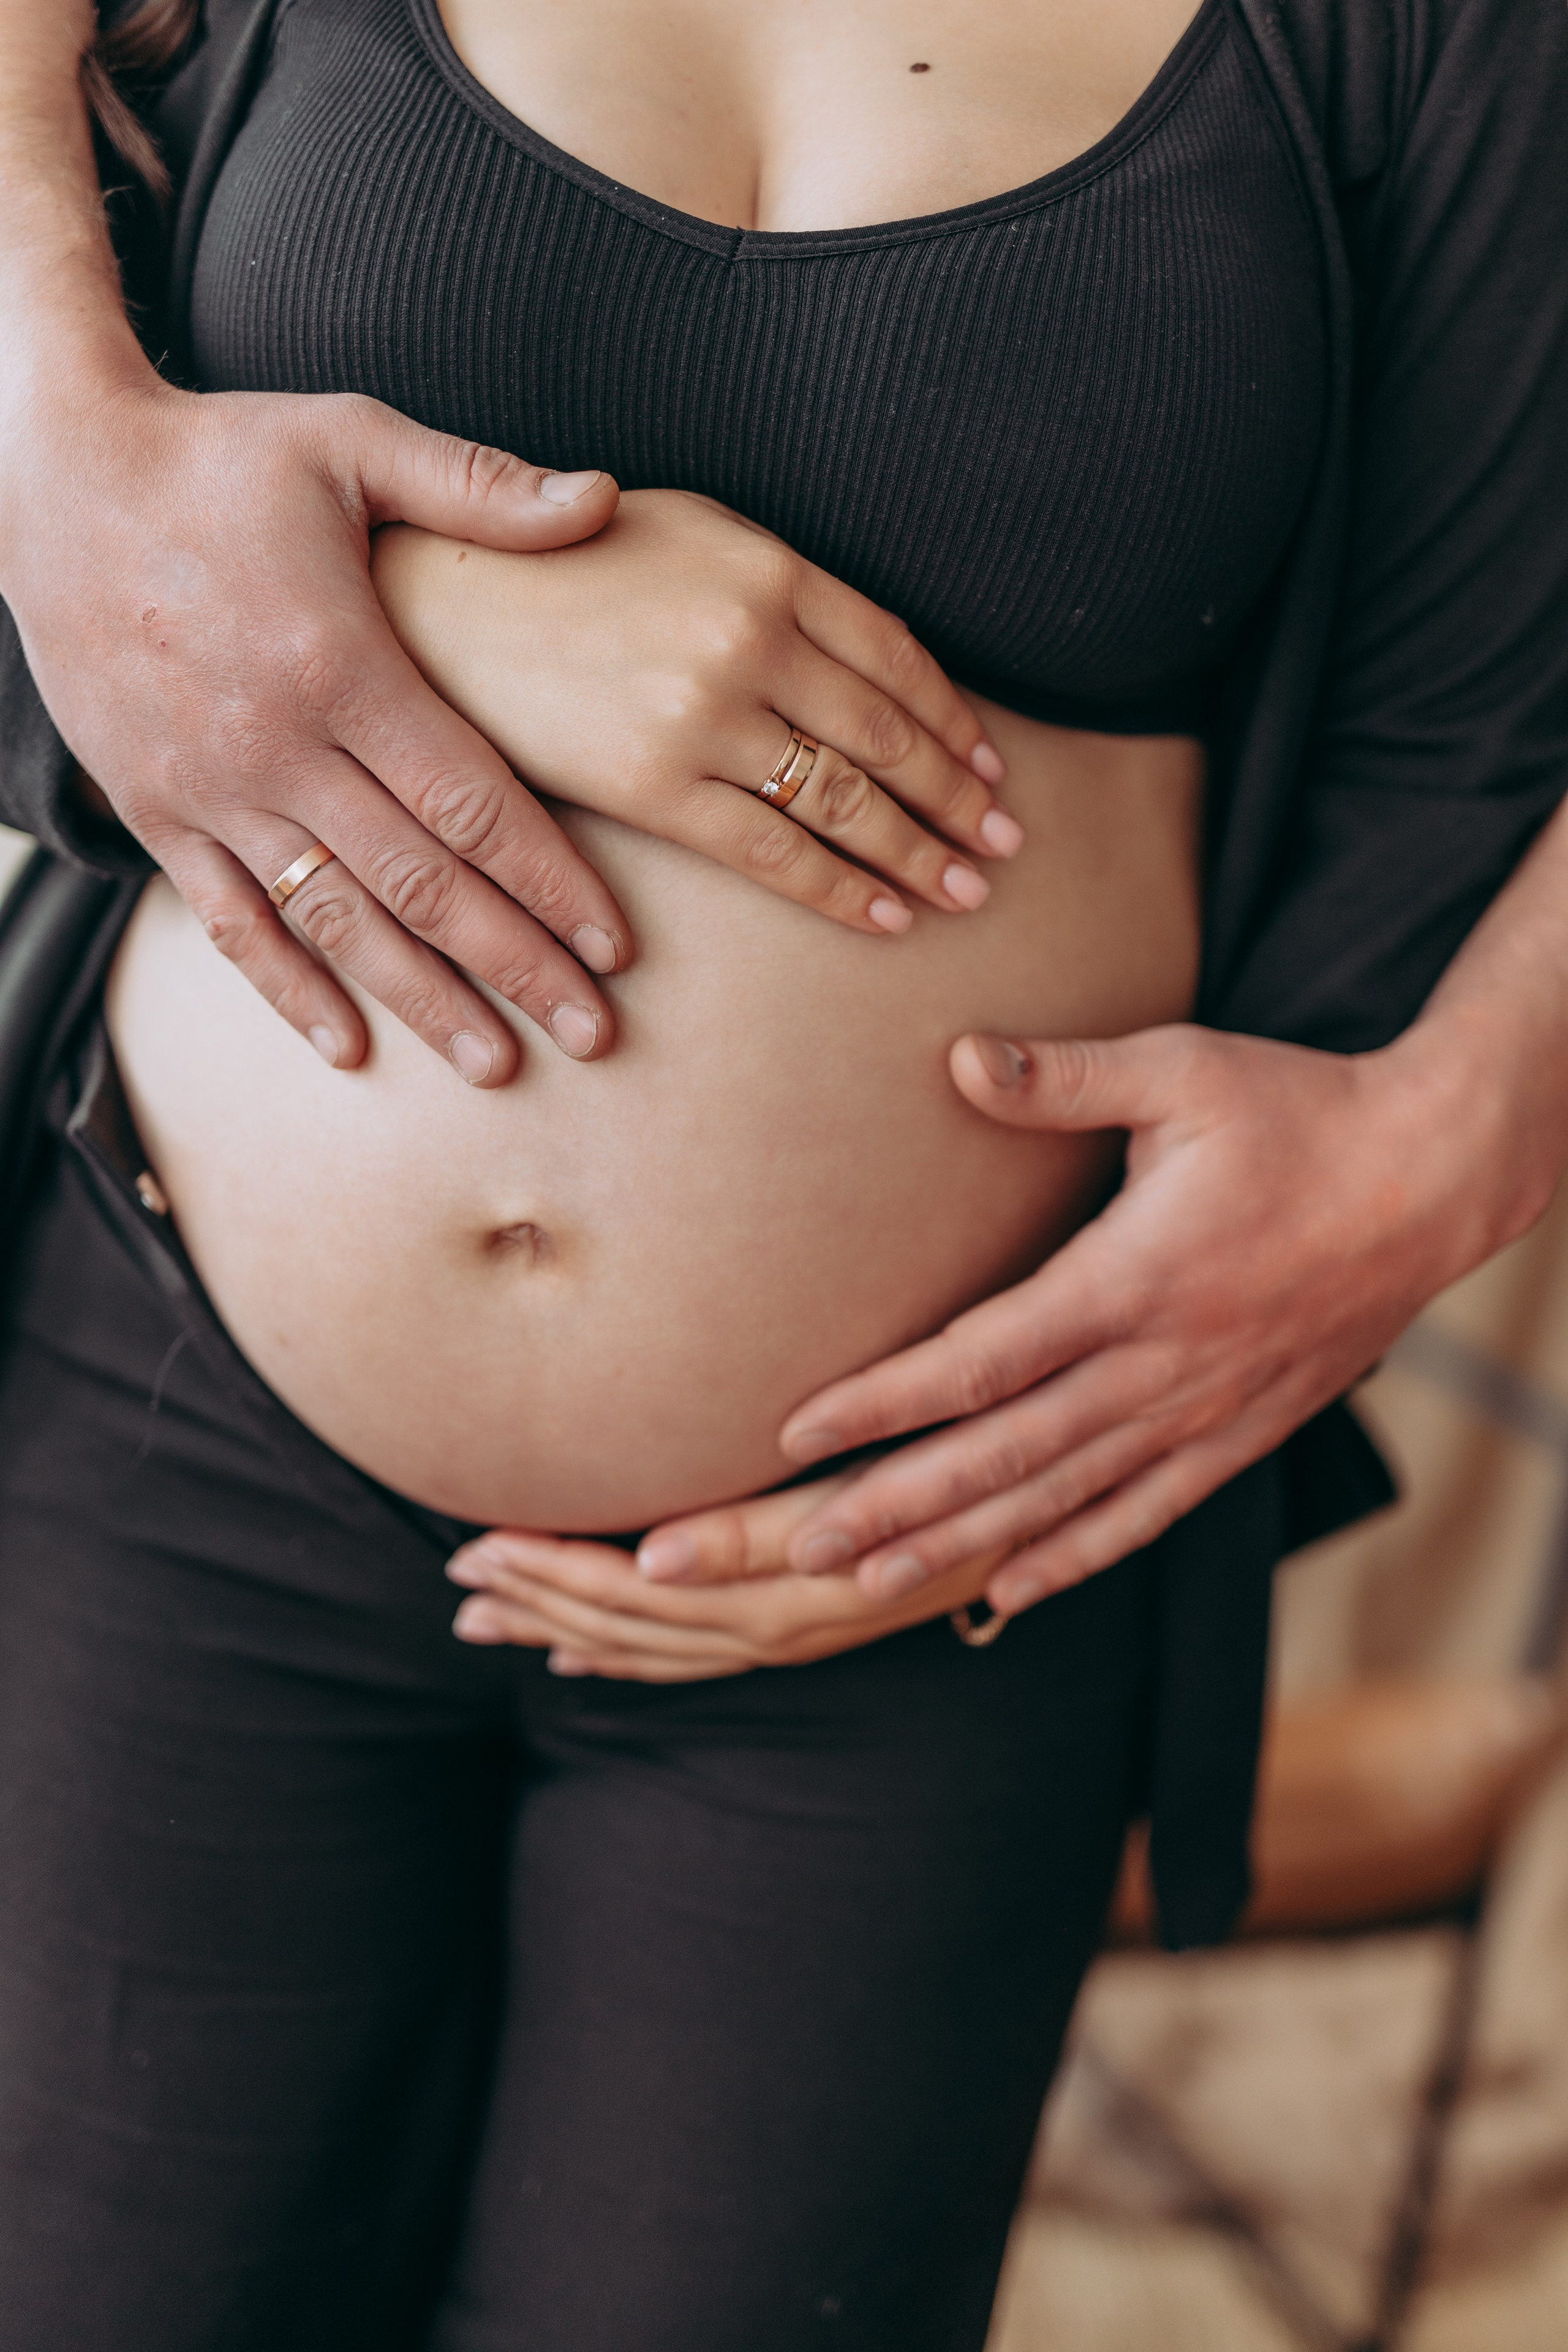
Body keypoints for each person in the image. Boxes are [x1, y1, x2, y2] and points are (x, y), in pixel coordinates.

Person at [1, 4, 1566, 2350]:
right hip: (160, 1437)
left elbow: (1465, 737)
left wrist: (1364, 1176)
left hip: (917, 1572)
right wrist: (405, 611)